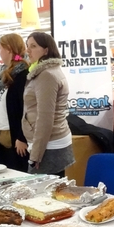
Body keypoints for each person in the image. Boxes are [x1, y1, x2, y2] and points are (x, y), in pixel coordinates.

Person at [23, 32, 75, 176]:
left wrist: (36, 155)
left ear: (46, 50)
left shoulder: (46, 75)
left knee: (44, 192)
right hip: (51, 141)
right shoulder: (49, 71)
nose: (28, 50)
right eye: (27, 46)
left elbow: (45, 118)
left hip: (49, 144)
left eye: (33, 46)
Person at [0, 33, 30, 172]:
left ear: (8, 49)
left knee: (19, 174)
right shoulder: (1, 75)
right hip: (1, 132)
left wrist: (22, 137)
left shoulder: (22, 74)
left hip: (16, 136)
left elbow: (27, 109)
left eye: (0, 48)